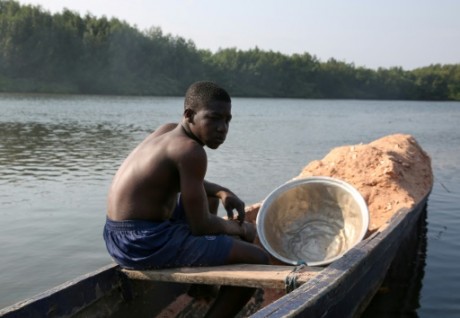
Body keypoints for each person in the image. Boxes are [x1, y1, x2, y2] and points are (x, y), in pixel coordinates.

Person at [103, 81, 269, 318]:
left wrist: (222, 191)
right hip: (143, 243)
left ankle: (200, 287)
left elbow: (180, 182)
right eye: (214, 118)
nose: (223, 128)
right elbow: (200, 226)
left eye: (227, 120)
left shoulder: (168, 130)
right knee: (258, 260)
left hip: (116, 235)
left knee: (208, 198)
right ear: (190, 115)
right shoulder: (191, 151)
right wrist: (241, 229)